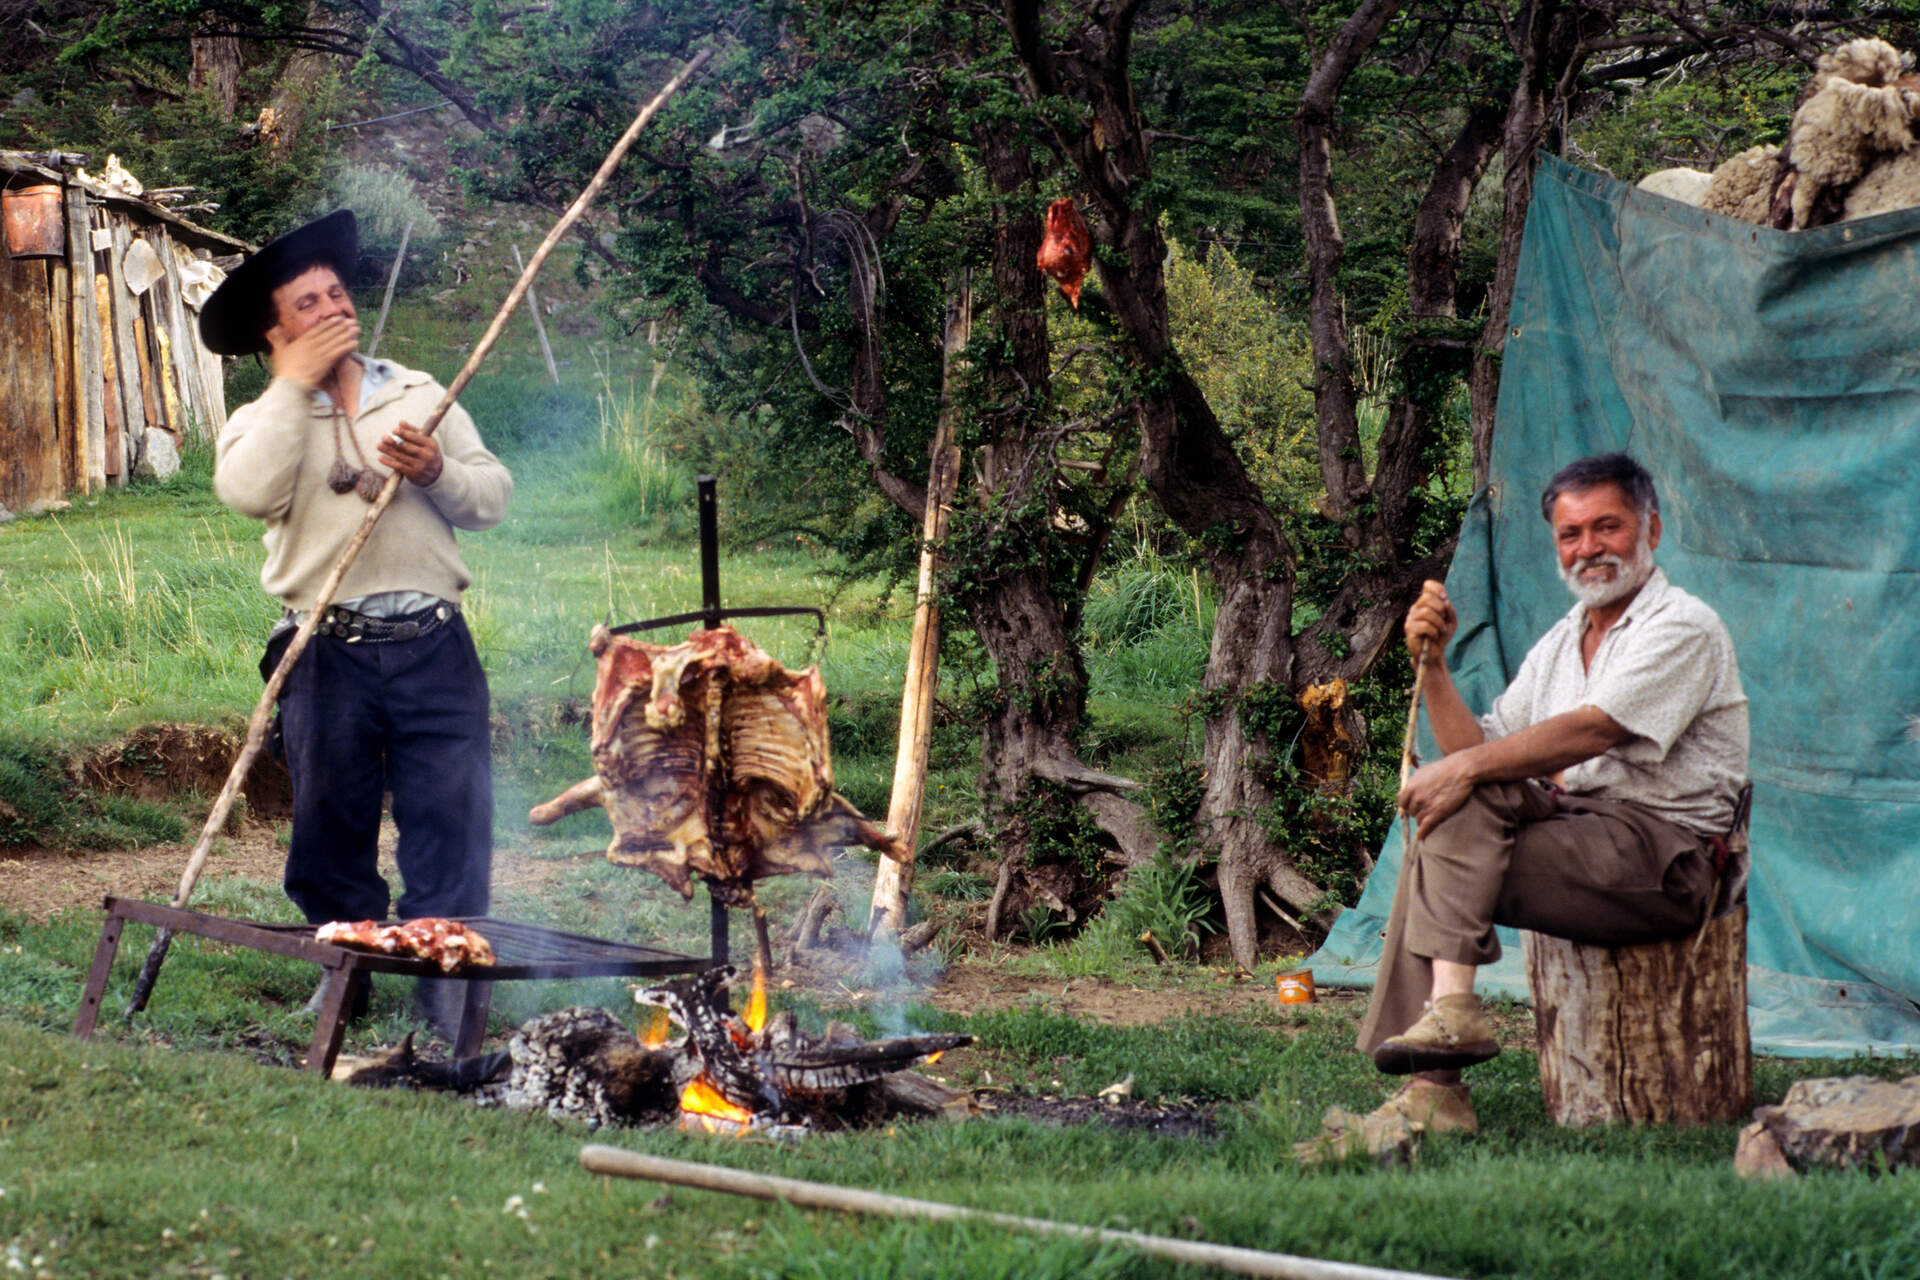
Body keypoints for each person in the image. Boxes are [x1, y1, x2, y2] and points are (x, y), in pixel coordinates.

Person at [1357, 452, 1748, 1134]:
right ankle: (1446, 1032)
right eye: (1571, 534)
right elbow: (1477, 750)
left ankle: (1435, 1086)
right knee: (1461, 800)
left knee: (1454, 813)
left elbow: (1591, 731)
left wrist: (1466, 772)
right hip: (1583, 833)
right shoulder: (1565, 639)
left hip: (1670, 859)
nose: (1589, 548)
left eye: (1608, 527)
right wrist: (1437, 666)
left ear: (1650, 530)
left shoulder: (1682, 625)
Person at [201, 210, 513, 1038]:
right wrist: (293, 385)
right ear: (274, 333)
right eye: (308, 303)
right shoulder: (262, 418)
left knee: (450, 816)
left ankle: (440, 971)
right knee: (331, 824)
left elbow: (491, 498)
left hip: (433, 643)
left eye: (337, 292)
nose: (334, 307)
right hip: (325, 648)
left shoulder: (417, 393)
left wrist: (440, 471)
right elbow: (248, 493)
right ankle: (344, 965)